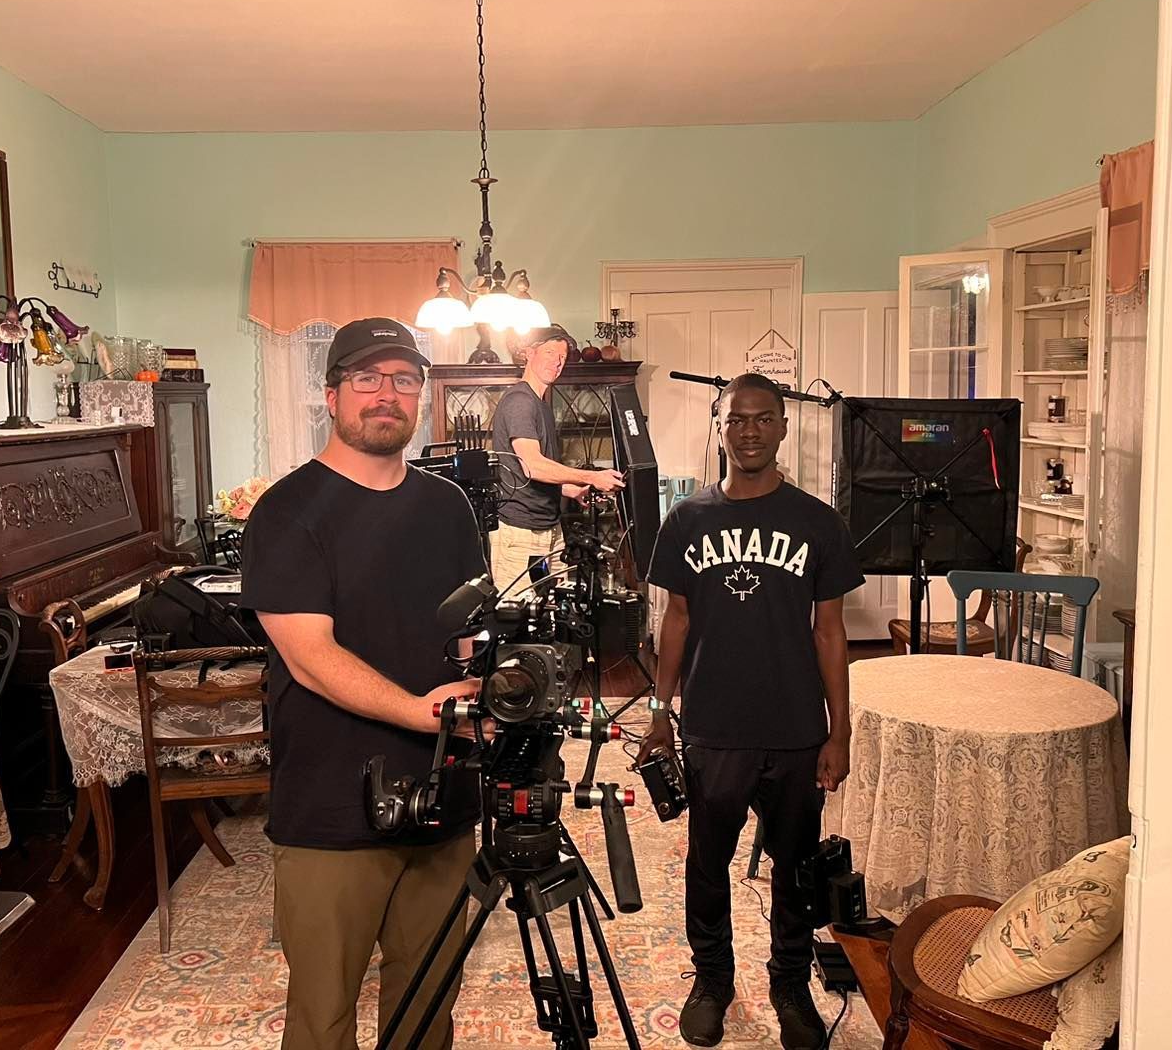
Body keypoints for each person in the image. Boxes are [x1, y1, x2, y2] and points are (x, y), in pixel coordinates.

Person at [240, 317, 486, 1050]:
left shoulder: (449, 506)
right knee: (323, 1017)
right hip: (329, 803)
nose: (387, 394)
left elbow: (468, 632)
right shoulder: (287, 511)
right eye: (367, 378)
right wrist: (419, 712)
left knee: (429, 998)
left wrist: (484, 689)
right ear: (331, 394)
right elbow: (310, 655)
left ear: (421, 396)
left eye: (404, 379)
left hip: (444, 791)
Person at [634, 372, 864, 1050]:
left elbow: (831, 631)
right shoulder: (688, 521)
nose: (751, 429)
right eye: (738, 419)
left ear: (784, 427)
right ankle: (713, 980)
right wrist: (659, 711)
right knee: (708, 866)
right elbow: (673, 619)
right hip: (713, 726)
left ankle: (790, 984)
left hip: (795, 727)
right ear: (720, 426)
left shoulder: (818, 523)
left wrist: (839, 729)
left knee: (795, 868)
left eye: (765, 418)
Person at [490, 324, 624, 595]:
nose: (557, 361)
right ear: (529, 353)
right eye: (550, 352)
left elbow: (523, 472)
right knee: (518, 618)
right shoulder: (520, 401)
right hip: (520, 534)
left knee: (551, 612)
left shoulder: (541, 405)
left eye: (562, 356)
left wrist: (570, 489)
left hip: (549, 528)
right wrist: (591, 476)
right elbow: (533, 465)